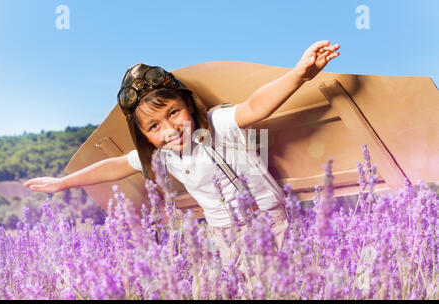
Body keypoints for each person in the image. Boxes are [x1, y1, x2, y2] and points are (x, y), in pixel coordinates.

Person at [24, 40, 340, 267]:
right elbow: (115, 166)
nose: (170, 129)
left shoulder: (217, 124)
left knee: (280, 286)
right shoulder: (162, 156)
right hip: (223, 235)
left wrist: (300, 74)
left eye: (174, 113)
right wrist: (63, 183)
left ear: (187, 104)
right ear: (144, 135)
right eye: (154, 127)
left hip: (267, 223)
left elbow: (256, 105)